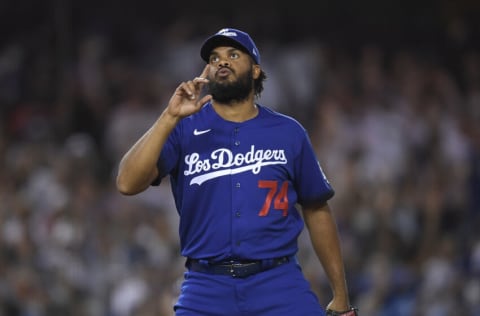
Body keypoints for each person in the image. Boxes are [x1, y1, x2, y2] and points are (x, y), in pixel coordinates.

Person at [116, 27, 357, 316]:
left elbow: (317, 208)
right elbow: (127, 183)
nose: (223, 61)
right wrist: (169, 117)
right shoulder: (184, 128)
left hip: (278, 282)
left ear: (256, 70)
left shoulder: (288, 132)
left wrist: (340, 296)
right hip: (206, 286)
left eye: (233, 54)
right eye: (215, 58)